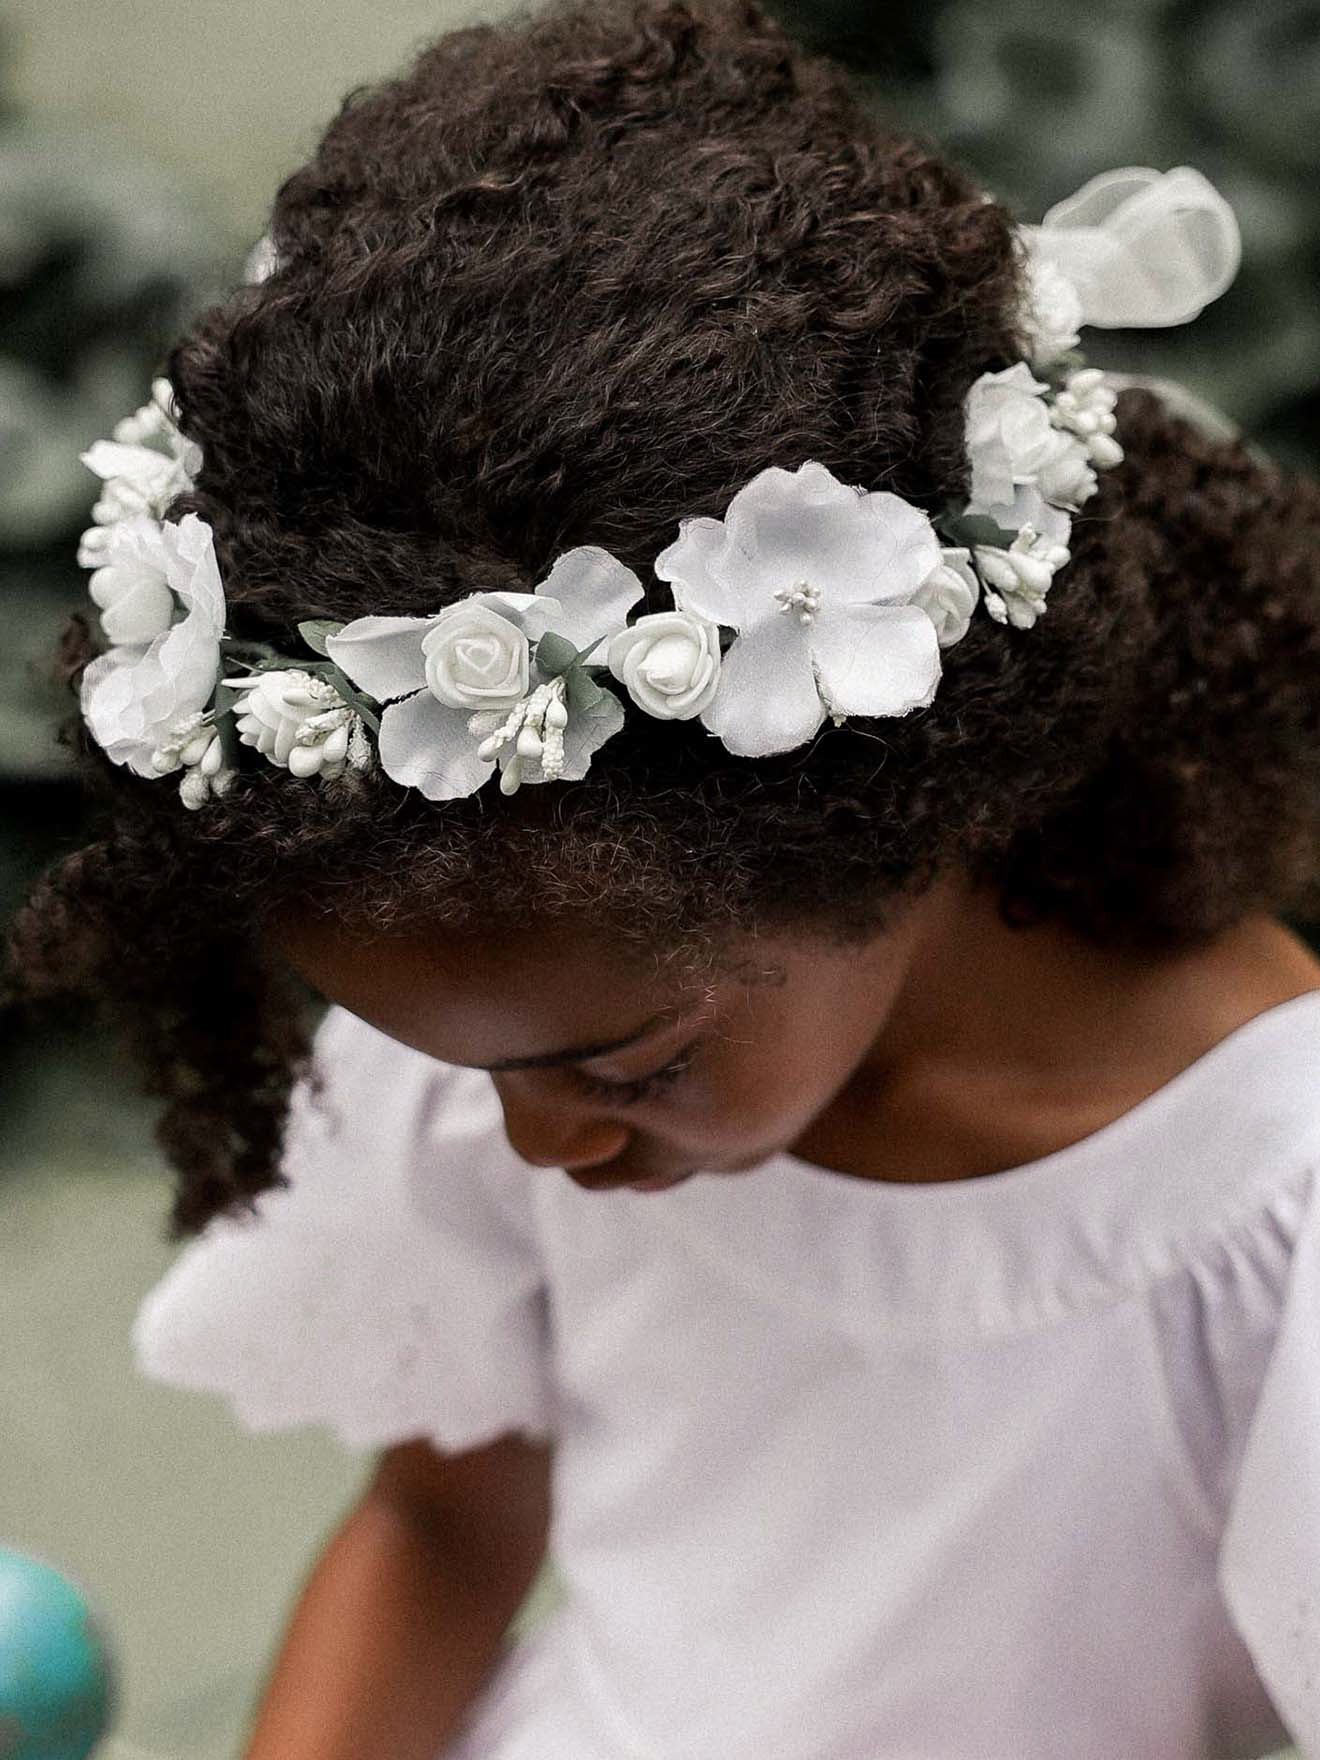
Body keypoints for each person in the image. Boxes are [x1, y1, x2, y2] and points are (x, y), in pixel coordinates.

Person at [5, 0, 1320, 1754]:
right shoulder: (532, 995)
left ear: (902, 802)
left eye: (629, 1068)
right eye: (488, 1076)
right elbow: (438, 1530)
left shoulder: (1271, 1211)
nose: (538, 1140)